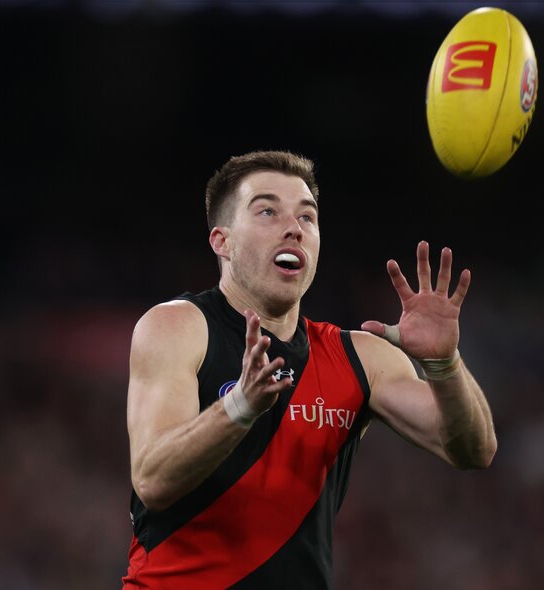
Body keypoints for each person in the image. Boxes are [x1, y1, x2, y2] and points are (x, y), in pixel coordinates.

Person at [122, 150, 497, 589]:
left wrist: (444, 363)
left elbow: (474, 450)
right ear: (222, 241)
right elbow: (152, 479)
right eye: (267, 211)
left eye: (307, 217)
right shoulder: (177, 327)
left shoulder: (360, 357)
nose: (293, 228)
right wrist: (239, 407)